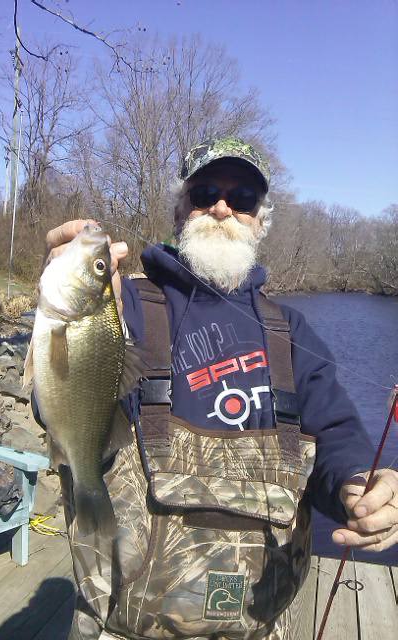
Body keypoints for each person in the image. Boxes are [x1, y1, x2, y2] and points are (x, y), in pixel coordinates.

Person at [41, 138, 398, 640]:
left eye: (243, 198)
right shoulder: (126, 308)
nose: (222, 208)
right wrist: (71, 293)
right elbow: (58, 402)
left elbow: (335, 432)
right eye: (205, 192)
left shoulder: (290, 332)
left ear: (260, 222)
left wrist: (360, 482)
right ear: (179, 210)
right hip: (120, 628)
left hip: (260, 628)